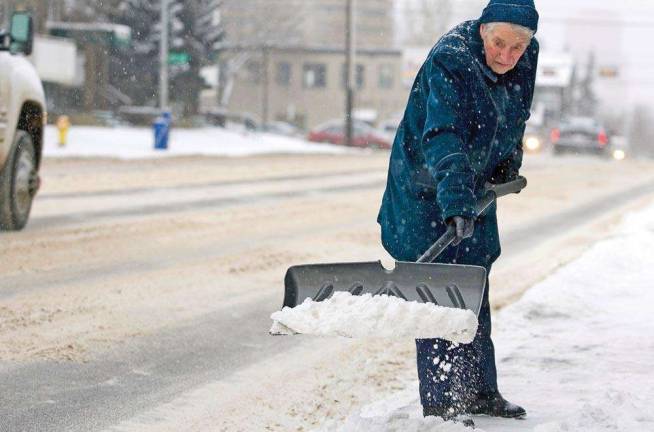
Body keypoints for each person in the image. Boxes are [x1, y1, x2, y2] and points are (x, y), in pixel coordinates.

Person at [377, 0, 540, 427]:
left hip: (472, 186)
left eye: (517, 47)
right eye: (499, 44)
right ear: (483, 31)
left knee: (474, 282)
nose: (507, 56)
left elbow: (517, 112)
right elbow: (442, 134)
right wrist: (454, 201)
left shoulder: (526, 55)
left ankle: (480, 391)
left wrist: (509, 162)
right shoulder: (452, 59)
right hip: (425, 188)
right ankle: (443, 405)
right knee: (436, 292)